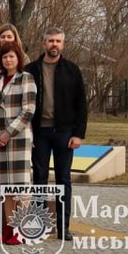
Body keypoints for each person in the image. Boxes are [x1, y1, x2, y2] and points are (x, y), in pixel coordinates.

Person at [25, 27, 87, 241]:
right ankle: (39, 226)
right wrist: (28, 134)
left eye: (58, 41)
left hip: (64, 132)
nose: (54, 44)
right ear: (44, 44)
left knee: (63, 180)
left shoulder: (72, 70)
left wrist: (78, 134)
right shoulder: (30, 70)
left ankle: (64, 227)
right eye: (50, 41)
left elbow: (81, 104)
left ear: (63, 44)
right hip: (39, 132)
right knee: (39, 179)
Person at [0, 44, 36, 245]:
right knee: (6, 189)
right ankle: (9, 229)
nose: (8, 60)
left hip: (18, 140)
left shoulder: (26, 78)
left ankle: (22, 230)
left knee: (21, 188)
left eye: (12, 57)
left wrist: (8, 133)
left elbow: (28, 111)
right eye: (5, 57)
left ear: (18, 59)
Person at [0, 24, 28, 89]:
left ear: (15, 38)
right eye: (2, 37)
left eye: (9, 37)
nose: (5, 39)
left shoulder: (23, 57)